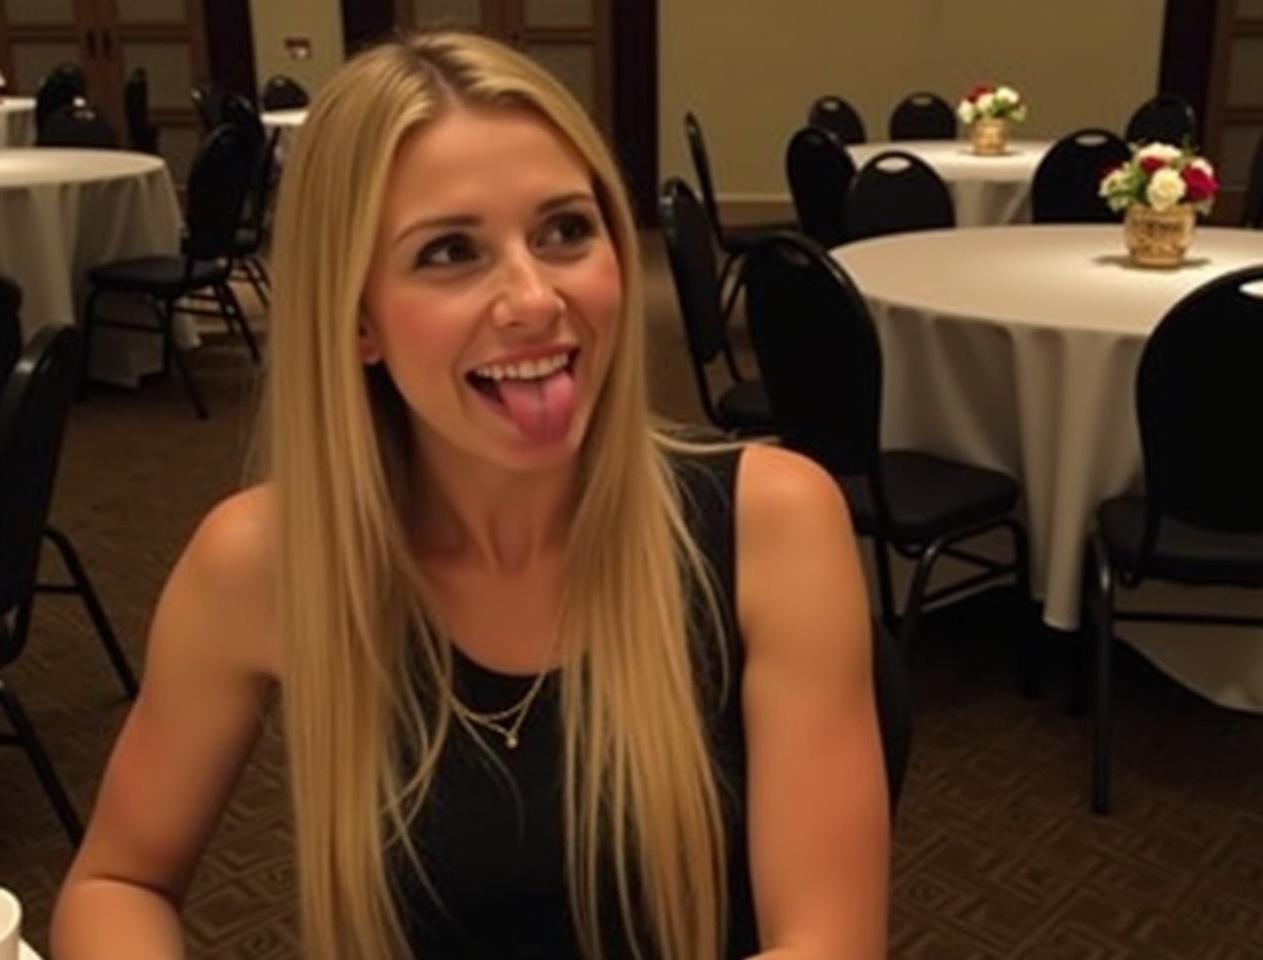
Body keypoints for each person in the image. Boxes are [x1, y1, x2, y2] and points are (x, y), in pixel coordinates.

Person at [50, 32, 887, 960]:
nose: (533, 298)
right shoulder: (268, 562)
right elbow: (116, 882)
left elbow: (827, 939)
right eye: (451, 251)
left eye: (567, 229)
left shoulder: (771, 524)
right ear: (357, 317)